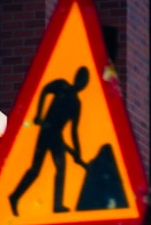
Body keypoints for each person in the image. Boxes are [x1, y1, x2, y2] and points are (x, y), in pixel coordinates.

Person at [9, 66, 90, 216]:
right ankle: (14, 196)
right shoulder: (62, 85)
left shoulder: (76, 104)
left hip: (57, 137)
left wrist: (78, 153)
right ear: (76, 78)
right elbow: (45, 90)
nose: (80, 83)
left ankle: (57, 205)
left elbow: (73, 131)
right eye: (80, 79)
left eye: (83, 81)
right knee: (35, 170)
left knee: (61, 168)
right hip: (46, 131)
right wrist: (39, 114)